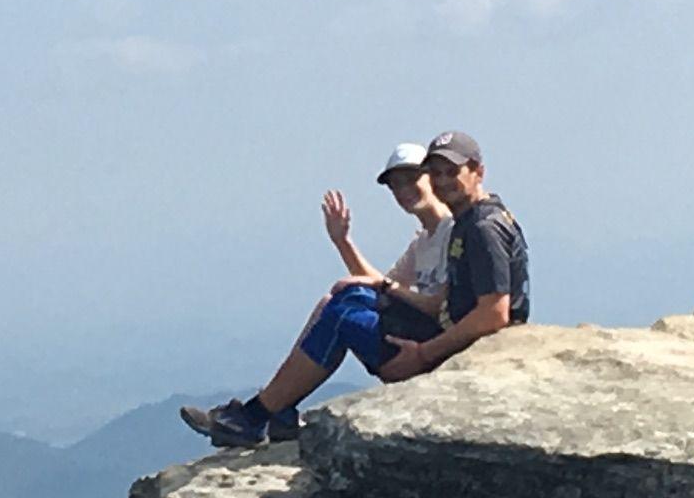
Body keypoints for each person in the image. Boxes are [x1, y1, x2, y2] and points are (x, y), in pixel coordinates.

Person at [181, 131, 528, 448]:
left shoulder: (478, 228)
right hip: (449, 339)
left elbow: (491, 312)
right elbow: (420, 296)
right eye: (435, 173)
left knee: (345, 312)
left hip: (452, 351)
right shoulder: (461, 225)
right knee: (347, 299)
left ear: (477, 171)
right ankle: (273, 411)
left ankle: (257, 416)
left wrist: (422, 353)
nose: (439, 181)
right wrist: (346, 246)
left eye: (448, 172)